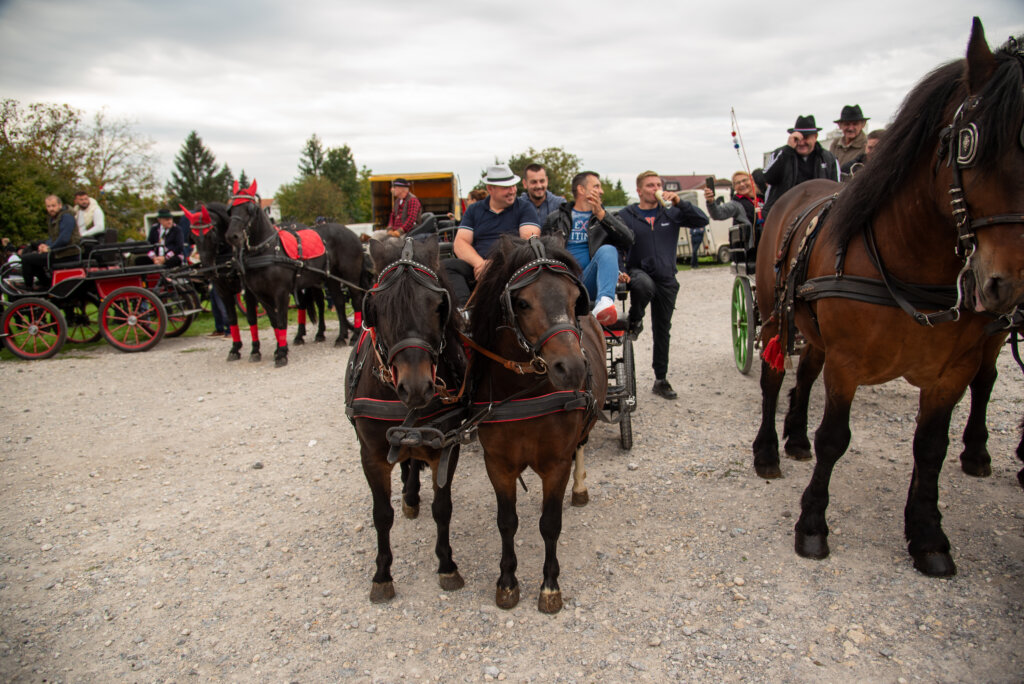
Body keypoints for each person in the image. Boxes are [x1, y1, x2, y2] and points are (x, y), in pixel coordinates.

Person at [617, 171, 709, 400]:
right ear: (639, 190)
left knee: (662, 329)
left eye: (658, 184)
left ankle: (660, 379)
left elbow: (702, 220)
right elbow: (615, 244)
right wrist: (622, 270)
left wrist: (679, 201)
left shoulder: (671, 212)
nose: (655, 188)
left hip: (667, 277)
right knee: (643, 285)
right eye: (650, 185)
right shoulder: (626, 215)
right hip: (639, 273)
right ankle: (635, 317)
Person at [541, 171, 634, 326]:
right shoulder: (556, 218)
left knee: (608, 250)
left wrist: (602, 215)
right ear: (581, 190)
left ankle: (604, 303)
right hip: (561, 280)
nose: (601, 191)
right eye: (596, 186)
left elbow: (629, 240)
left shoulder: (607, 217)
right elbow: (544, 252)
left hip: (588, 283)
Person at [443, 163, 540, 306]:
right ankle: (464, 312)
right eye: (506, 187)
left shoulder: (525, 207)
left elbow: (527, 240)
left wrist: (494, 265)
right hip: (479, 266)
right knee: (447, 266)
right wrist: (480, 264)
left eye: (513, 186)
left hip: (512, 265)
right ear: (490, 189)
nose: (512, 191)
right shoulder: (474, 210)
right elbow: (460, 243)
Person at [762, 115, 840, 219]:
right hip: (783, 214)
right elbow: (769, 177)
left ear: (815, 137)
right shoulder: (780, 154)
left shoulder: (828, 158)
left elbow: (836, 188)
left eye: (806, 138)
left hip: (817, 213)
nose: (801, 142)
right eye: (797, 138)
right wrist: (788, 150)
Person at [20, 195, 81, 290]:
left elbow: (64, 239)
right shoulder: (55, 218)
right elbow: (54, 238)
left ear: (60, 205)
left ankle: (28, 287)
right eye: (48, 206)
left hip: (66, 254)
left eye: (53, 206)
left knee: (26, 259)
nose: (51, 209)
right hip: (60, 252)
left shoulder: (66, 217)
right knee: (33, 253)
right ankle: (45, 283)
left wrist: (49, 248)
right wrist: (44, 245)